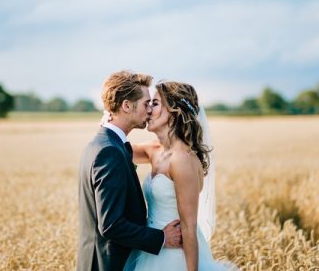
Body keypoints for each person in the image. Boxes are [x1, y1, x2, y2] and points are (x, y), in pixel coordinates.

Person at [123, 81, 239, 271]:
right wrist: (114, 117)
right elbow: (116, 150)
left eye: (155, 103)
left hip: (175, 255)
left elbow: (188, 227)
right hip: (153, 247)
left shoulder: (183, 160)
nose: (149, 109)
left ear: (175, 113)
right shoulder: (154, 150)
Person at [76, 71, 183, 271]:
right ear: (126, 106)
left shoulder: (101, 144)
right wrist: (161, 238)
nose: (150, 110)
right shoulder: (109, 151)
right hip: (108, 264)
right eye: (145, 104)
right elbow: (110, 225)